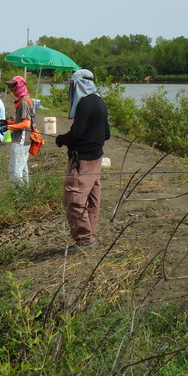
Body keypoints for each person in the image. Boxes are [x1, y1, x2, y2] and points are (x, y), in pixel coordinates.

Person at [55, 69, 110, 255]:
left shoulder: (85, 104)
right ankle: (90, 234)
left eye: (72, 85)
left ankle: (85, 239)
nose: (70, 89)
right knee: (92, 199)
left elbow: (77, 134)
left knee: (74, 199)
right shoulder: (100, 102)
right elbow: (107, 134)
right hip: (97, 157)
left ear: (78, 85)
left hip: (83, 160)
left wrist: (62, 139)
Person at [0, 76, 33, 186]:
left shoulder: (24, 102)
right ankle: (25, 194)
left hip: (21, 141)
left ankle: (16, 196)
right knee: (23, 170)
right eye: (11, 85)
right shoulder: (22, 100)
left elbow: (26, 124)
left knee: (15, 171)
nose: (12, 88)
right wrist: (6, 122)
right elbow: (21, 122)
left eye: (14, 85)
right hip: (23, 140)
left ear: (21, 86)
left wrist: (8, 128)